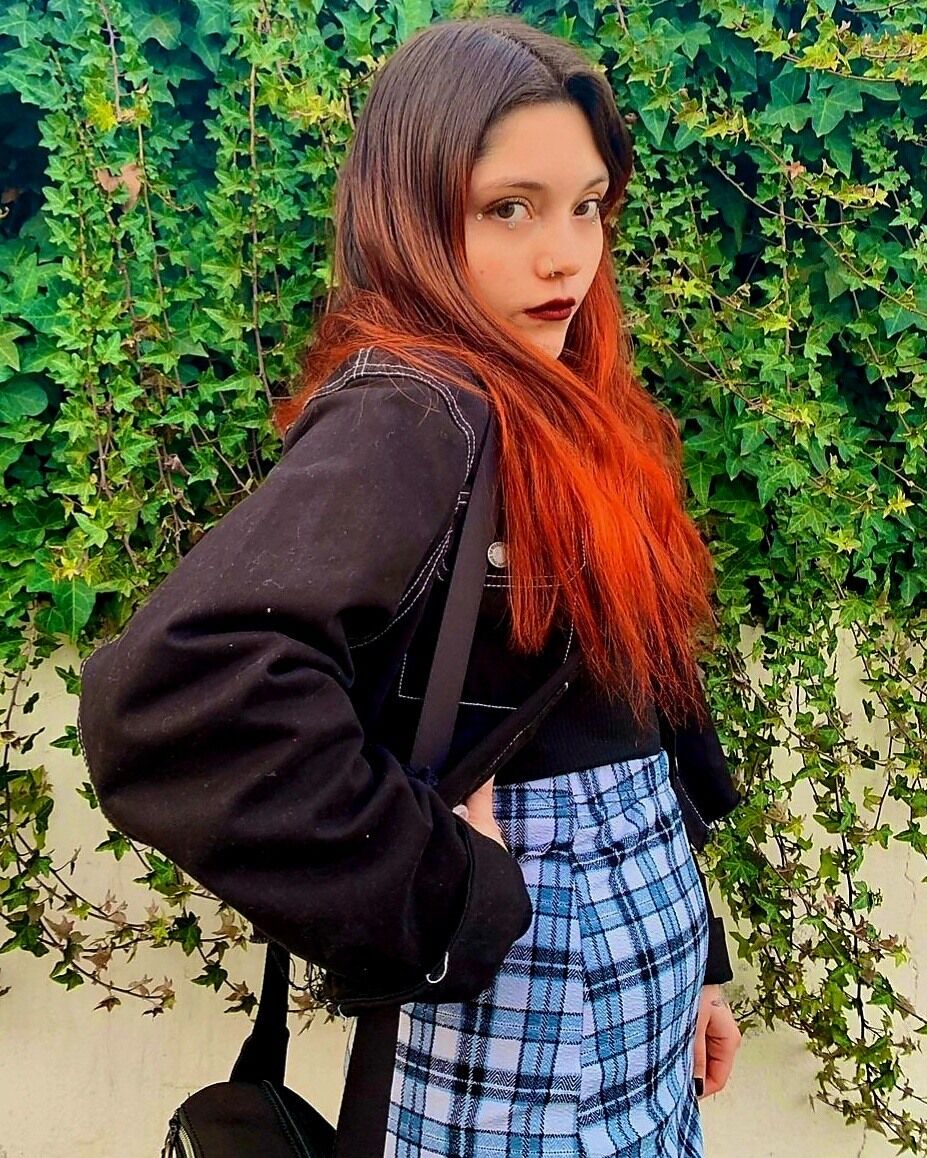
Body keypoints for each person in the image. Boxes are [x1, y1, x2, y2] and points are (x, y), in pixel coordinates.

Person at [78, 13, 744, 1157]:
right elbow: (170, 701)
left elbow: (625, 701)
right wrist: (443, 893)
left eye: (585, 205)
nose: (564, 256)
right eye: (508, 208)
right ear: (410, 212)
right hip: (523, 1010)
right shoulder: (414, 408)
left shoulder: (566, 401)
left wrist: (697, 961)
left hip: (640, 991)